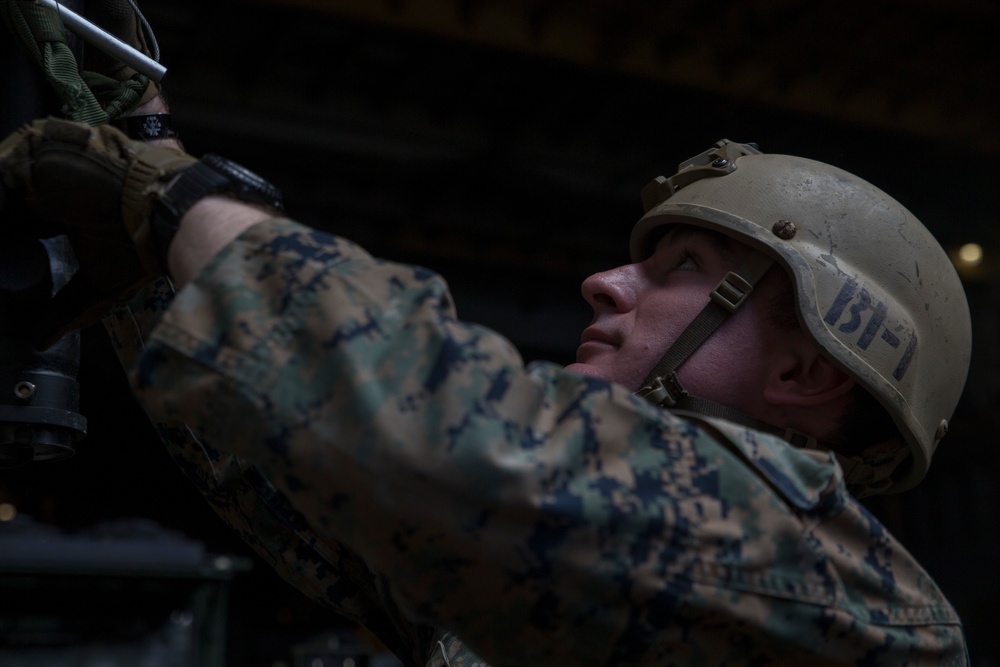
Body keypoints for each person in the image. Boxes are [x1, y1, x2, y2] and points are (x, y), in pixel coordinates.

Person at [0, 4, 973, 666]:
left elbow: (442, 435)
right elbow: (305, 467)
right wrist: (135, 139)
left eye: (678, 270)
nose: (603, 281)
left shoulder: (831, 589)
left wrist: (180, 201)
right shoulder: (578, 576)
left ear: (805, 367)